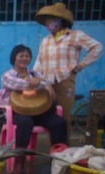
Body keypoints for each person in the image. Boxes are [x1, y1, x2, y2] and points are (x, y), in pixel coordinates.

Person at [33, 2, 103, 143]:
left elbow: (97, 47)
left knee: (63, 118)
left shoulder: (74, 36)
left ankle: (63, 151)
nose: (47, 23)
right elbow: (38, 63)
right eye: (46, 20)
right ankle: (52, 151)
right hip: (46, 85)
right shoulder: (45, 41)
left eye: (50, 20)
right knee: (48, 118)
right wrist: (36, 79)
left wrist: (81, 65)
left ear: (59, 20)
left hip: (65, 82)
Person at [0, 44, 67, 174]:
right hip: (18, 112)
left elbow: (46, 85)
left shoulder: (35, 74)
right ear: (14, 58)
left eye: (27, 56)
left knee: (59, 122)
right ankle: (19, 161)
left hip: (38, 111)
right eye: (21, 56)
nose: (24, 58)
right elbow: (18, 84)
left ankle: (60, 161)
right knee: (25, 123)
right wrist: (43, 84)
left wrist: (45, 85)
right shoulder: (7, 75)